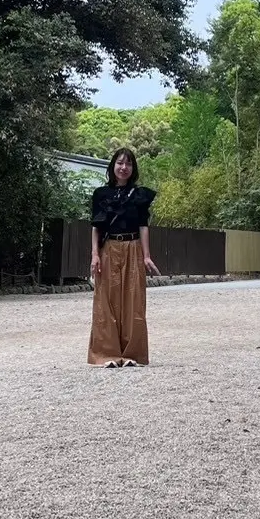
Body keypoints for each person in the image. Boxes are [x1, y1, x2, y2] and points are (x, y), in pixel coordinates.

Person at [88, 149, 158, 366]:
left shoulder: (140, 195)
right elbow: (96, 227)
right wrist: (95, 255)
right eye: (120, 163)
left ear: (133, 168)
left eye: (128, 164)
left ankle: (131, 355)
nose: (123, 167)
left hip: (133, 246)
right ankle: (107, 354)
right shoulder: (101, 194)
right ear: (113, 166)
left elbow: (143, 226)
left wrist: (146, 256)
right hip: (109, 248)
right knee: (106, 301)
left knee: (133, 300)